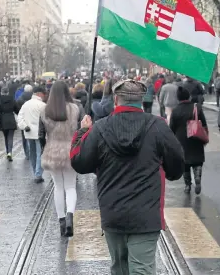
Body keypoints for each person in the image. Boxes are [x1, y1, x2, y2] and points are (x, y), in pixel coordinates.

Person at [70, 79, 184, 274]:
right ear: (141, 100)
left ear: (116, 99)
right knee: (142, 269)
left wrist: (83, 132)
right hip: (146, 214)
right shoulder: (157, 126)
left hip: (113, 212)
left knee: (119, 267)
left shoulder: (100, 128)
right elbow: (177, 166)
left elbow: (79, 163)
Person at [39, 81, 80, 236]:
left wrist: (45, 148)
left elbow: (41, 135)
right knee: (70, 187)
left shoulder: (45, 110)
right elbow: (80, 130)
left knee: (58, 187)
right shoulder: (75, 109)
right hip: (70, 151)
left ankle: (61, 220)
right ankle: (70, 215)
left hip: (52, 150)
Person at [169, 86, 208, 194]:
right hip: (196, 138)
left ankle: (187, 185)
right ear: (189, 96)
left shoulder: (176, 110)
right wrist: (205, 138)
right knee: (197, 160)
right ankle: (197, 175)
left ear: (178, 98)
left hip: (181, 140)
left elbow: (171, 128)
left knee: (185, 163)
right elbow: (204, 124)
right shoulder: (197, 107)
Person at [17, 85, 47, 182]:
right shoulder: (42, 105)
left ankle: (35, 172)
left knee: (32, 153)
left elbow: (19, 118)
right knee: (40, 153)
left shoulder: (25, 104)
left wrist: (24, 126)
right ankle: (38, 174)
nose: (44, 96)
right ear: (40, 94)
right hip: (39, 133)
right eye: (44, 94)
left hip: (28, 132)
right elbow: (46, 120)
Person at [0, 87, 19, 161]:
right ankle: (10, 152)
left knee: (6, 137)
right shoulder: (12, 99)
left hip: (3, 120)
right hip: (11, 119)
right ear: (8, 92)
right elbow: (17, 110)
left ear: (1, 92)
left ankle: (8, 152)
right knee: (10, 137)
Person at [16, 84, 34, 159]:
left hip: (23, 119)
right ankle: (32, 152)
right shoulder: (33, 98)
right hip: (32, 119)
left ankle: (27, 153)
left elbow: (17, 109)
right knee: (33, 136)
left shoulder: (20, 98)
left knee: (24, 137)